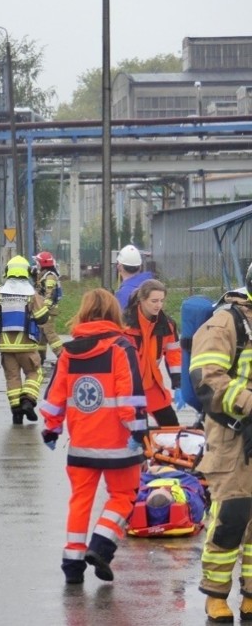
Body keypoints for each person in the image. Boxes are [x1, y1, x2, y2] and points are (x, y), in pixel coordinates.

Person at [39, 288, 147, 584]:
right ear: (113, 313)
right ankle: (101, 545)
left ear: (84, 313)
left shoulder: (70, 350)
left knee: (80, 501)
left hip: (82, 445)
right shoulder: (122, 347)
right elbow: (129, 396)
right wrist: (138, 430)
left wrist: (51, 428)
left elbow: (56, 394)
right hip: (119, 446)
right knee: (124, 496)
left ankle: (72, 565)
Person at [189, 264, 252, 622]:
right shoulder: (226, 323)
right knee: (232, 514)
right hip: (232, 433)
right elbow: (206, 380)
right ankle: (216, 594)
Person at [0, 255, 50, 425]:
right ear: (26, 273)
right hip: (28, 347)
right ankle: (28, 401)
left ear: (8, 272)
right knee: (34, 373)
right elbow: (42, 318)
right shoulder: (32, 294)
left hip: (6, 348)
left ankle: (16, 413)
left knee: (13, 379)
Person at [123, 279, 181, 427]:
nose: (159, 305)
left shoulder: (167, 324)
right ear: (141, 300)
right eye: (154, 301)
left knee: (172, 427)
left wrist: (179, 383)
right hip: (129, 388)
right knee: (139, 433)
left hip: (151, 385)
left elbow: (174, 354)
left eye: (162, 301)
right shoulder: (124, 324)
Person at [31, 251, 63, 365]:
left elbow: (49, 295)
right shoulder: (45, 274)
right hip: (45, 310)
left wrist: (43, 310)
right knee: (41, 336)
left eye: (37, 262)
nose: (36, 265)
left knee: (50, 334)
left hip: (48, 311)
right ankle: (40, 358)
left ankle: (62, 356)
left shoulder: (49, 276)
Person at [114, 244, 154, 311]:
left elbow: (121, 319)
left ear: (119, 267)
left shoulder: (123, 294)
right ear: (140, 266)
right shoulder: (153, 285)